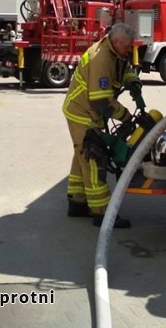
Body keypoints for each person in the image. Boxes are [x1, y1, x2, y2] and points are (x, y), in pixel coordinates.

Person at [62, 22, 143, 229]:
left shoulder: (114, 52)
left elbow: (123, 68)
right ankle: (102, 213)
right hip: (83, 113)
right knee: (93, 159)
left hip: (86, 113)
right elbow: (101, 100)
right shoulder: (101, 58)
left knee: (81, 153)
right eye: (128, 46)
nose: (130, 49)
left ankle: (77, 202)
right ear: (117, 42)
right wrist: (125, 116)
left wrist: (132, 81)